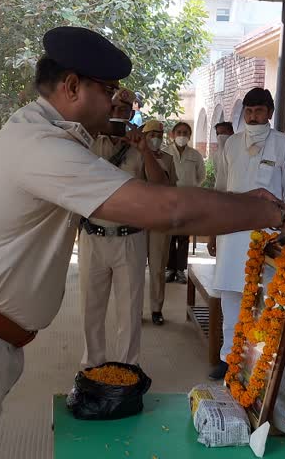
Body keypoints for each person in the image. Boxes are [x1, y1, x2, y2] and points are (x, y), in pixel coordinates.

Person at [0, 26, 285, 459]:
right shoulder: (40, 145)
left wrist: (246, 201)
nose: (119, 102)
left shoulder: (46, 134)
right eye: (109, 90)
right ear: (71, 87)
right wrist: (280, 214)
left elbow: (162, 194)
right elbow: (166, 210)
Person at [207, 87, 285, 380]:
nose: (253, 116)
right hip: (232, 233)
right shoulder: (231, 144)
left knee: (265, 299)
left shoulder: (282, 144)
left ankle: (261, 361)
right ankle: (228, 358)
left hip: (269, 236)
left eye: (259, 110)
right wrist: (212, 230)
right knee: (231, 298)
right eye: (249, 111)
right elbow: (220, 190)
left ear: (270, 113)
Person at [79, 88, 169, 368]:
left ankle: (127, 370)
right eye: (115, 108)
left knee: (129, 312)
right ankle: (91, 369)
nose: (119, 114)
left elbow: (162, 186)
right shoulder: (88, 139)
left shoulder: (140, 144)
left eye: (125, 111)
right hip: (93, 235)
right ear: (107, 107)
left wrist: (144, 149)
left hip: (130, 238)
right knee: (90, 310)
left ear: (132, 114)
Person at [142, 120, 178, 325]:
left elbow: (172, 188)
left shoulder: (168, 159)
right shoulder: (135, 156)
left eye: (159, 134)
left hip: (160, 219)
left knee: (157, 268)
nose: (155, 138)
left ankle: (156, 309)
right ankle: (135, 309)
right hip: (137, 219)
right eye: (151, 134)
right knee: (135, 268)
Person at [164, 122, 206, 285]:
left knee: (183, 236)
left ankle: (180, 270)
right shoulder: (165, 152)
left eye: (185, 133)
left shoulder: (195, 155)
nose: (182, 135)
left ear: (189, 136)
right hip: (168, 200)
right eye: (179, 132)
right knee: (169, 236)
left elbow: (201, 176)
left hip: (187, 201)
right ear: (172, 134)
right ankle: (170, 269)